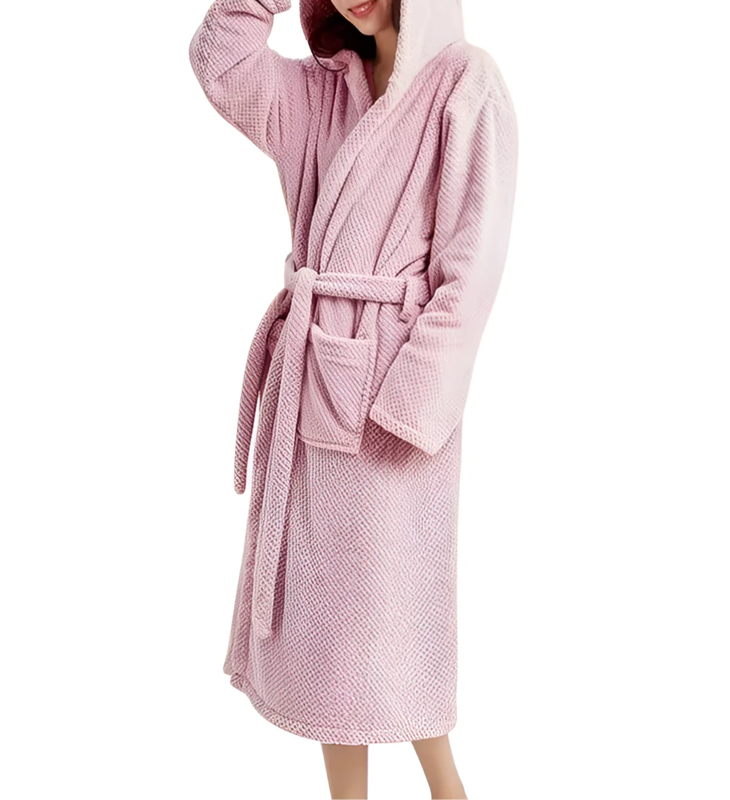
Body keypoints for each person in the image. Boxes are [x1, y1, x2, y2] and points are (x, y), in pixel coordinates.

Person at [188, 0, 518, 797]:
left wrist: (413, 400)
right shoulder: (320, 92)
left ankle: (449, 791)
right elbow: (219, 59)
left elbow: (472, 269)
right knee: (333, 640)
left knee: (394, 624)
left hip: (395, 407)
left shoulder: (466, 84)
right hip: (314, 393)